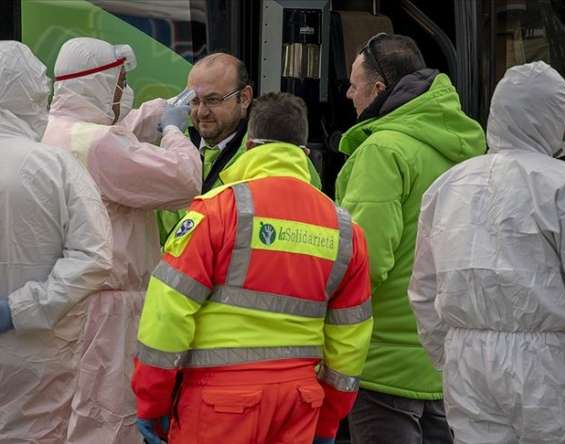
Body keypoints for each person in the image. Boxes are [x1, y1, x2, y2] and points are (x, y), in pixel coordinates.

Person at [132, 92, 373, 444]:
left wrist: (152, 401)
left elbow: (167, 313)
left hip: (219, 403)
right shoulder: (346, 231)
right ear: (304, 155)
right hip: (299, 404)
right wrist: (329, 417)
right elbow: (350, 340)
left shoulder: (217, 212)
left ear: (250, 146)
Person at [409, 60, 565, 443]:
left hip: (468, 364)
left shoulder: (448, 186)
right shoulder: (564, 187)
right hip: (550, 367)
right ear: (546, 118)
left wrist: (449, 351)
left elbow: (424, 289)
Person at [0, 41, 113, 443]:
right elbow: (94, 258)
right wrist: (18, 310)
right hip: (31, 354)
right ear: (35, 97)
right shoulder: (58, 168)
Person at [42, 37, 201, 444]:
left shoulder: (51, 130)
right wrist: (174, 132)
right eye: (119, 83)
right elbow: (184, 179)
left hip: (65, 303)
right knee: (107, 418)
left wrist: (155, 112)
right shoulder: (102, 146)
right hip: (111, 312)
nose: (124, 92)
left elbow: (116, 136)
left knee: (62, 415)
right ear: (97, 83)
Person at [335, 33, 486, 443]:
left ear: (378, 89)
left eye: (353, 83)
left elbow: (364, 262)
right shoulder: (469, 149)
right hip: (448, 359)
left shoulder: (382, 152)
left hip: (384, 367)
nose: (348, 94)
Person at [157, 53, 322, 241]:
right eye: (194, 101)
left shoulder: (278, 158)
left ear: (244, 98)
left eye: (213, 100)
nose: (201, 111)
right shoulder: (171, 151)